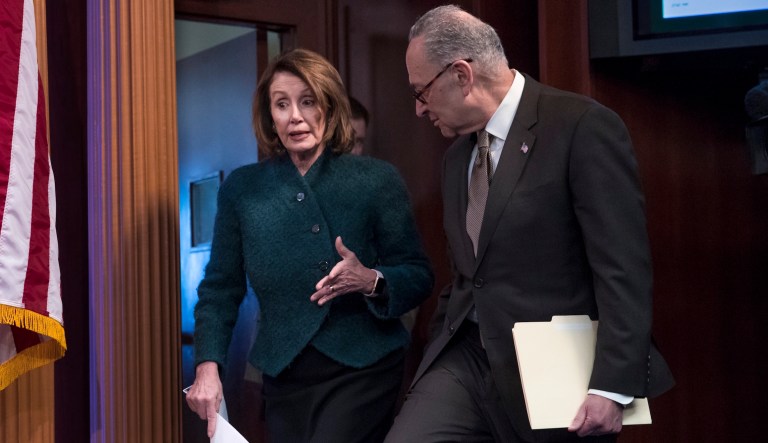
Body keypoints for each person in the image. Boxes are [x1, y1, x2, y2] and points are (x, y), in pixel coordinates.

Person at [386, 5, 674, 443]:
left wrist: (612, 387)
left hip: (555, 370)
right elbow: (469, 274)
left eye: (421, 92)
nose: (420, 111)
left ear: (461, 75)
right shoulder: (456, 159)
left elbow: (623, 268)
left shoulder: (581, 127)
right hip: (466, 360)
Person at [185, 48, 434, 443]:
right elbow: (220, 289)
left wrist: (370, 279)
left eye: (307, 102)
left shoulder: (375, 179)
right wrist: (207, 367)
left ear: (329, 107)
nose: (295, 116)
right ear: (269, 115)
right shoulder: (243, 189)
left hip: (364, 366)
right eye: (281, 104)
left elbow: (418, 275)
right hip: (285, 372)